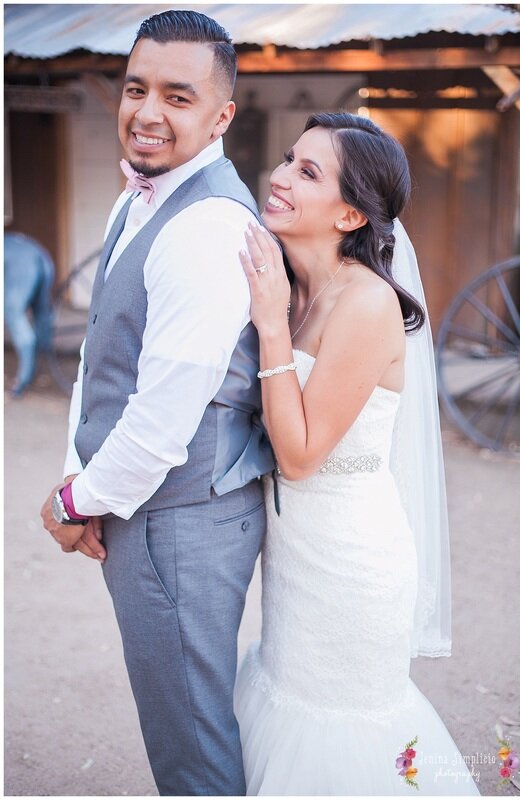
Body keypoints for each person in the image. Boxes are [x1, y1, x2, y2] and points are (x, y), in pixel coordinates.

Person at [40, 10, 274, 796]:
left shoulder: (206, 227)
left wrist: (78, 497)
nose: (146, 112)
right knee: (179, 731)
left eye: (178, 96)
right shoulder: (133, 200)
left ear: (221, 115)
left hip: (179, 524)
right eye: (136, 88)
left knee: (192, 755)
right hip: (145, 509)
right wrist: (82, 468)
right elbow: (99, 355)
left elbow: (163, 416)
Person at [234, 113, 480, 795]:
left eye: (307, 172)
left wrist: (268, 323)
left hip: (348, 571)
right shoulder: (297, 286)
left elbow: (301, 455)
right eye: (287, 159)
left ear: (349, 213)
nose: (279, 176)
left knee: (337, 734)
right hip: (295, 559)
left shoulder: (366, 303)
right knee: (286, 705)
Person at [4, 232, 55, 395]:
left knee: (13, 311)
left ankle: (23, 377)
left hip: (21, 263)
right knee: (42, 312)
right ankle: (37, 367)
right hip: (42, 257)